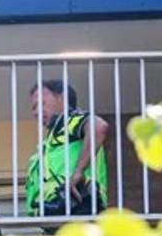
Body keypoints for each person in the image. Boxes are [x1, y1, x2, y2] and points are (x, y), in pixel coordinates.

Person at [24, 80, 111, 218]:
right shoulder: (52, 139)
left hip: (78, 206)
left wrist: (78, 173)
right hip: (58, 213)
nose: (36, 112)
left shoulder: (69, 121)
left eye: (41, 104)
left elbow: (99, 127)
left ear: (62, 98)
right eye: (34, 108)